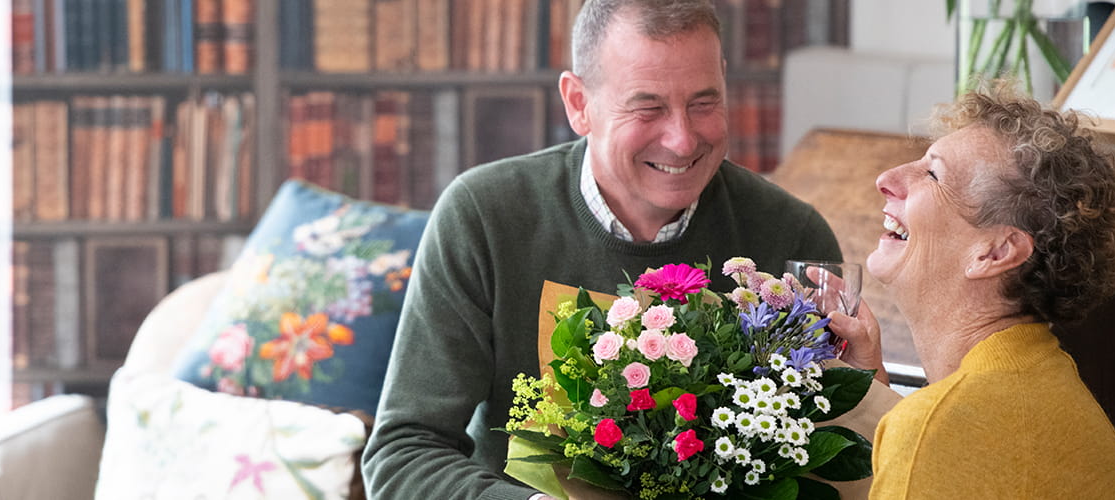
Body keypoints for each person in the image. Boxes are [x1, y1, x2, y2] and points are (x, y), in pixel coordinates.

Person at [360, 1, 843, 497]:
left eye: (704, 102)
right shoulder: (483, 216)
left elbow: (836, 454)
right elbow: (403, 455)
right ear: (578, 103)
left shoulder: (792, 238)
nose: (682, 140)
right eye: (648, 108)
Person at [828, 83, 1115, 498]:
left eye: (933, 174)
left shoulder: (946, 425)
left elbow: (950, 437)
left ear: (995, 252)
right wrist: (870, 392)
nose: (885, 179)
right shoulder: (1030, 380)